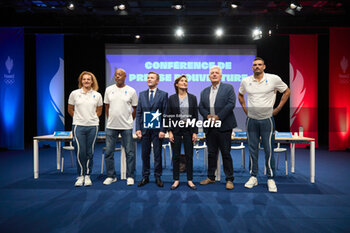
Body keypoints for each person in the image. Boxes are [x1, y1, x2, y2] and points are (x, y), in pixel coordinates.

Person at [238, 57, 290, 193]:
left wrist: (278, 109)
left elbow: (287, 91)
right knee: (253, 149)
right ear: (252, 67)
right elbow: (240, 94)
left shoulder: (274, 79)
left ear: (264, 67)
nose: (257, 67)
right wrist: (244, 108)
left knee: (269, 150)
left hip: (267, 119)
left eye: (259, 65)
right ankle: (253, 177)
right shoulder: (246, 81)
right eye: (254, 65)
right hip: (251, 120)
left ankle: (270, 178)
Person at [199, 66, 236, 190]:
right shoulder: (204, 91)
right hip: (210, 127)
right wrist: (207, 116)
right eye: (212, 73)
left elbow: (231, 103)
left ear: (220, 76)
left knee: (226, 153)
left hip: (224, 126)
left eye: (216, 73)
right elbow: (201, 107)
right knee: (211, 153)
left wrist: (218, 117)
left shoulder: (228, 88)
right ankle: (211, 177)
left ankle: (229, 179)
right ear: (209, 77)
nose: (214, 75)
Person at [103, 68, 138, 186]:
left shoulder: (131, 91)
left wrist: (129, 121)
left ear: (125, 76)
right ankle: (111, 176)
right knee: (109, 152)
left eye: (120, 75)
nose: (117, 77)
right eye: (116, 75)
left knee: (130, 152)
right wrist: (110, 119)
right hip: (111, 126)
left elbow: (135, 109)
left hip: (126, 127)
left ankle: (130, 176)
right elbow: (107, 107)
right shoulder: (108, 90)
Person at [68, 71, 103, 187]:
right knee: (80, 151)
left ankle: (87, 175)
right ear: (81, 81)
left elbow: (99, 111)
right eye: (84, 79)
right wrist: (80, 118)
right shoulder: (74, 94)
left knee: (89, 152)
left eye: (89, 79)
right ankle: (80, 175)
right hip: (78, 126)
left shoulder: (97, 95)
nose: (86, 81)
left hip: (93, 126)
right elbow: (70, 109)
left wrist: (90, 119)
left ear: (92, 81)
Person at [136, 72, 168, 188]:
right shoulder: (142, 94)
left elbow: (165, 113)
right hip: (144, 129)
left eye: (152, 78)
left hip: (157, 130)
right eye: (148, 78)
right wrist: (138, 128)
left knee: (157, 154)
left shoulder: (163, 94)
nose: (149, 79)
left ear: (157, 81)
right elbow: (139, 113)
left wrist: (163, 129)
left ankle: (158, 176)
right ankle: (145, 176)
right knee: (145, 154)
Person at [167, 75, 198, 190]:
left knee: (189, 156)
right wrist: (169, 131)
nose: (184, 83)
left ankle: (190, 180)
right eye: (182, 81)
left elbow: (195, 116)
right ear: (176, 84)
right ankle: (176, 180)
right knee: (175, 156)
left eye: (186, 81)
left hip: (188, 131)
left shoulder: (193, 98)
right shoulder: (171, 98)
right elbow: (168, 115)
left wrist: (195, 132)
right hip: (175, 130)